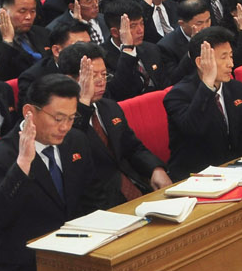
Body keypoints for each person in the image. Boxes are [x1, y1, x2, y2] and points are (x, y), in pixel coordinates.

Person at [0, 73, 104, 271]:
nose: (65, 126)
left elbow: (92, 197)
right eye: (57, 118)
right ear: (29, 112)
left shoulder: (75, 141)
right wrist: (22, 165)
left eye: (70, 118)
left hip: (76, 257)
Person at [57, 42, 172, 207]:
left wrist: (155, 169)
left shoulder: (109, 107)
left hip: (134, 184)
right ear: (69, 80)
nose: (100, 82)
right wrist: (83, 103)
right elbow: (73, 149)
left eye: (104, 75)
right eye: (92, 76)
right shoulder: (60, 120)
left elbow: (133, 147)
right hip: (96, 202)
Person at [163, 26, 242, 180]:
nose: (231, 64)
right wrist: (207, 84)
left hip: (237, 171)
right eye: (223, 57)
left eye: (231, 56)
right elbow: (193, 128)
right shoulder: (177, 95)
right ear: (201, 62)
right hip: (196, 176)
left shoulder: (237, 89)